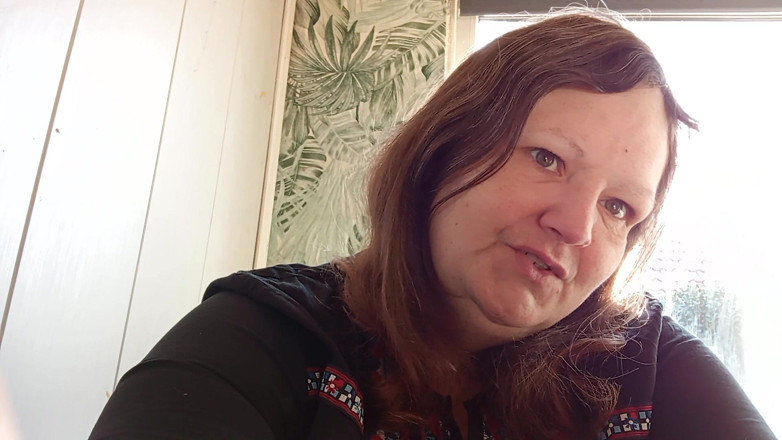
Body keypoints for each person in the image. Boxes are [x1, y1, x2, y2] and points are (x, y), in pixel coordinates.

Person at [89, 9, 776, 440]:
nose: (576, 226)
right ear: (444, 146)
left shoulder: (644, 365)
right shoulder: (264, 341)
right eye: (547, 158)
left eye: (619, 207)